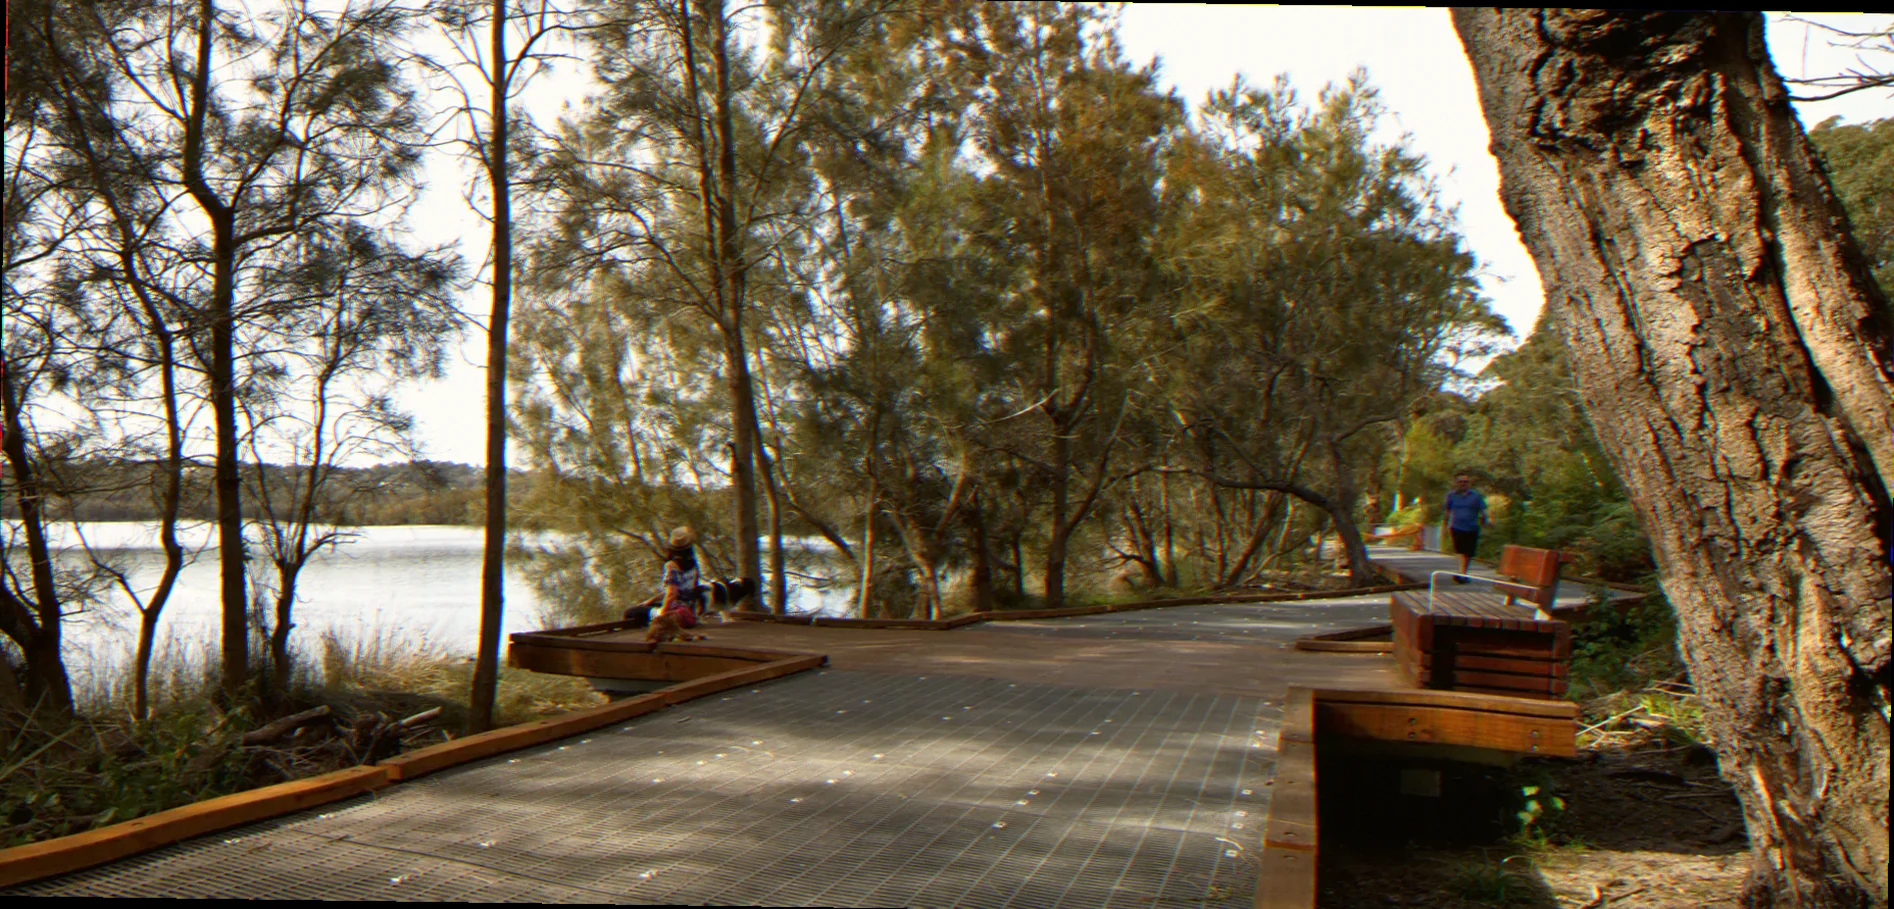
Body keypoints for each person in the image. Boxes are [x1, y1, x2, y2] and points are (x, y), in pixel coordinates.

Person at [1442, 473, 1489, 582]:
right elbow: (1447, 512)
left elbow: (1483, 509)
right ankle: (1461, 573)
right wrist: (1444, 526)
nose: (1463, 484)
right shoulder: (1451, 496)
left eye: (1465, 482)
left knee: (1468, 553)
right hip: (1457, 526)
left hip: (1472, 527)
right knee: (1459, 550)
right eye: (1461, 482)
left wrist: (1486, 519)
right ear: (1456, 483)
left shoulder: (1476, 496)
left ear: (1469, 483)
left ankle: (1463, 572)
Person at [658, 526, 707, 629]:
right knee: (648, 606)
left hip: (675, 611)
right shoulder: (693, 564)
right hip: (689, 610)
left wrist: (661, 615)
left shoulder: (671, 566)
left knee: (633, 612)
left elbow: (672, 594)